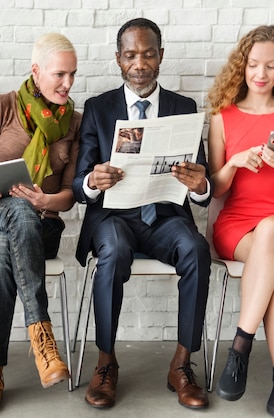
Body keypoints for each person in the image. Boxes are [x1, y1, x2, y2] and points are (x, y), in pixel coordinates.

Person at [72, 18, 211, 410]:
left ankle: (182, 365)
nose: (140, 62)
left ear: (160, 56)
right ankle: (105, 362)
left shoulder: (184, 108)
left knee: (197, 250)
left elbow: (201, 184)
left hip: (166, 216)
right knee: (112, 252)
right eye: (131, 54)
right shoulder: (98, 109)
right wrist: (93, 181)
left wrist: (199, 185)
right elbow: (79, 184)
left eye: (148, 53)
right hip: (114, 218)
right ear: (118, 59)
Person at [0, 32, 80, 414]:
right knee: (14, 214)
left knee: (5, 246)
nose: (68, 83)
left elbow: (69, 195)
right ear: (36, 71)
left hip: (41, 225)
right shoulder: (2, 107)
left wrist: (45, 200)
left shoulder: (74, 123)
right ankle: (43, 339)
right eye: (60, 74)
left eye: (73, 75)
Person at [207, 25, 274, 415]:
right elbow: (214, 190)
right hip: (237, 225)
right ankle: (242, 348)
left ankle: (240, 348)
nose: (261, 74)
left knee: (272, 245)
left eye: (270, 66)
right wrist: (233, 161)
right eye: (253, 64)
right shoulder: (223, 117)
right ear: (242, 66)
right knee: (268, 232)